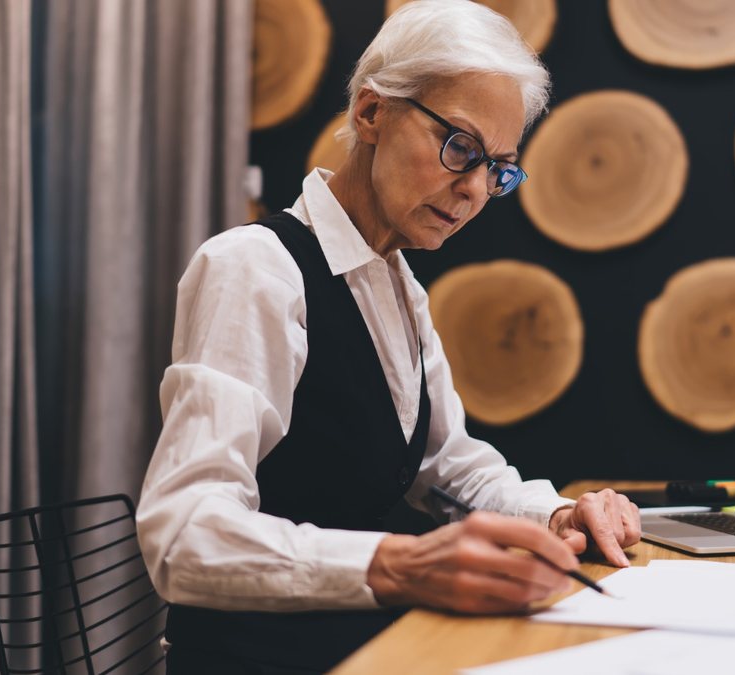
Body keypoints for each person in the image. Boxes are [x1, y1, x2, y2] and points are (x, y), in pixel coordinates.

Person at [136, 1, 641, 672]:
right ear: (372, 112)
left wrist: (555, 514)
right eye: (459, 147)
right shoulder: (254, 269)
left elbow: (448, 466)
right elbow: (183, 532)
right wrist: (399, 563)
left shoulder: (398, 284)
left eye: (497, 167)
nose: (474, 190)